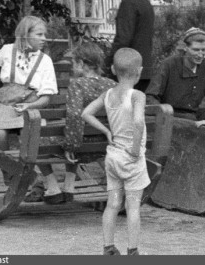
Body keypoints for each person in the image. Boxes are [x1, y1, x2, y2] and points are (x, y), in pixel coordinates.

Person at [24, 41, 117, 204]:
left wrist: (71, 146)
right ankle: (68, 188)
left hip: (81, 146)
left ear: (81, 63)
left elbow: (75, 116)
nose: (73, 67)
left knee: (37, 139)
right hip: (104, 145)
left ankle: (53, 189)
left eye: (74, 63)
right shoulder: (112, 85)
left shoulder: (78, 85)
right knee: (70, 134)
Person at [81, 48, 150, 256]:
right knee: (133, 206)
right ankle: (133, 250)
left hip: (113, 157)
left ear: (112, 69)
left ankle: (108, 247)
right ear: (139, 71)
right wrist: (136, 149)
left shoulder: (108, 94)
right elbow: (138, 122)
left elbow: (86, 113)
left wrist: (105, 130)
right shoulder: (137, 96)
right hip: (131, 159)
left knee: (112, 204)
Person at [0, 16, 62, 197]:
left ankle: (39, 181)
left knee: (32, 136)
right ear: (25, 35)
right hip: (5, 103)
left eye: (45, 35)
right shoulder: (6, 51)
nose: (44, 38)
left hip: (31, 103)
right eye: (39, 34)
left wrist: (29, 106)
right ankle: (11, 176)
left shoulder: (44, 61)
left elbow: (46, 97)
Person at [104, 0, 154, 92]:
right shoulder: (143, 1)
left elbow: (123, 40)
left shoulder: (128, 2)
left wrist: (107, 65)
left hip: (127, 71)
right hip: (142, 70)